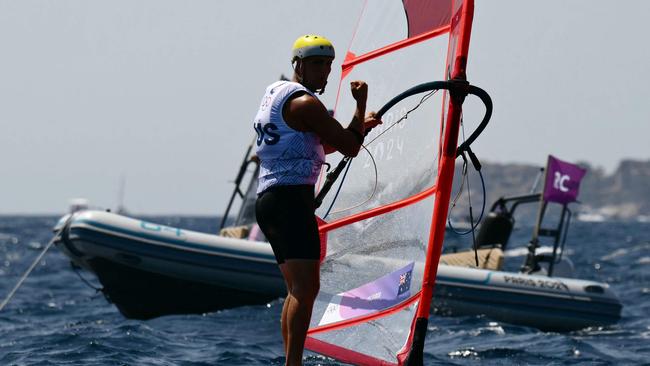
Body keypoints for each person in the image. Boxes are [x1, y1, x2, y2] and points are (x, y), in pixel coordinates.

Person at [253, 34, 381, 365]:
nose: (324, 72)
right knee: (306, 290)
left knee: (297, 290)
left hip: (271, 201)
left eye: (327, 65)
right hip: (290, 202)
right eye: (316, 65)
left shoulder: (275, 94)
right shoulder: (306, 104)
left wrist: (358, 127)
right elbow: (350, 147)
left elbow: (321, 145)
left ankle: (289, 361)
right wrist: (360, 104)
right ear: (298, 65)